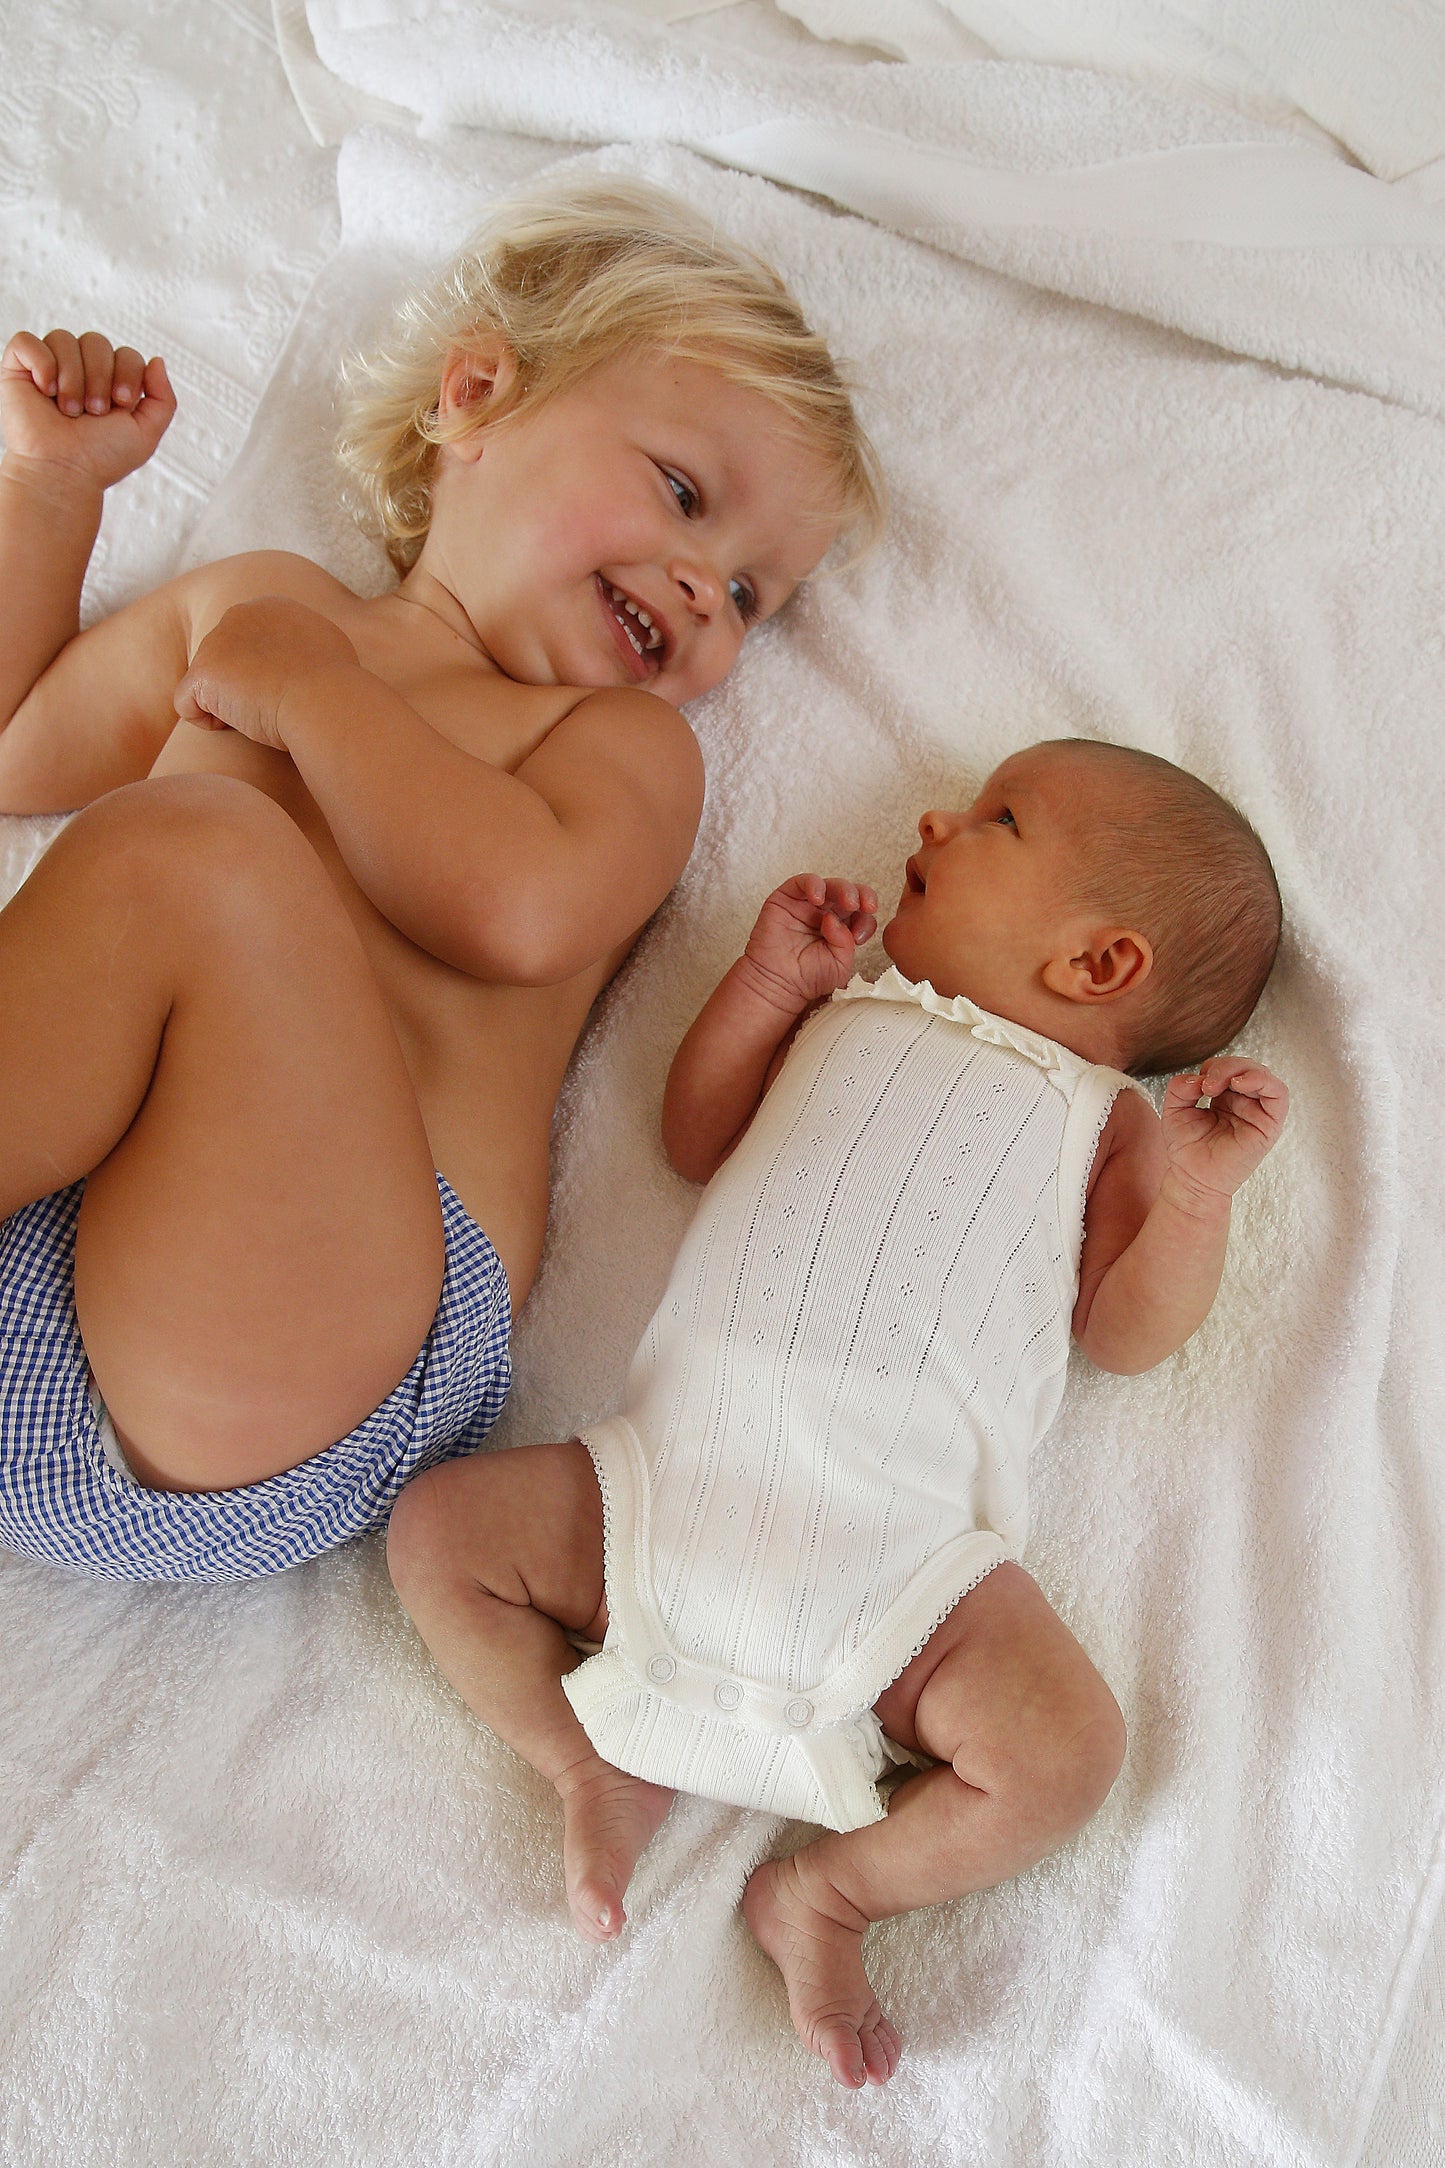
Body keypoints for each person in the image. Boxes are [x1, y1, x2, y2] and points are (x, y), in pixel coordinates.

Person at [0, 175, 883, 1579]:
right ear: (474, 396)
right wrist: (48, 492)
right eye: (680, 493)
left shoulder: (611, 746)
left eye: (753, 595)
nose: (705, 584)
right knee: (157, 862)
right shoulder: (257, 606)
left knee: (197, 855)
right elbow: (12, 744)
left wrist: (318, 700)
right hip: (63, 1230)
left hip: (292, 1347)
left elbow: (519, 910)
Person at [385, 736, 1290, 2089]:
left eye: (997, 818)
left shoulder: (1106, 1127)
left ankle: (831, 1894)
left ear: (1094, 964)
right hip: (667, 1484)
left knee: (1066, 1753)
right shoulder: (849, 1007)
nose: (935, 816)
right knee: (440, 1527)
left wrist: (1199, 1198)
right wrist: (764, 988)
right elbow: (693, 1137)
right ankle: (584, 1766)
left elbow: (1126, 1333)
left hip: (902, 1575)